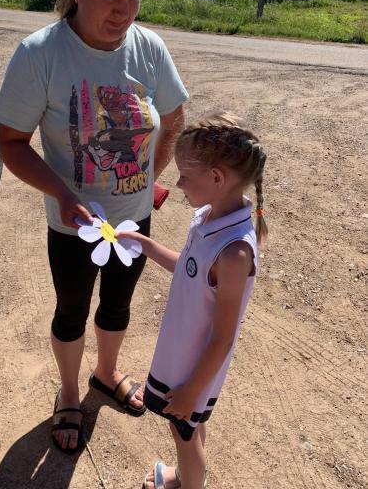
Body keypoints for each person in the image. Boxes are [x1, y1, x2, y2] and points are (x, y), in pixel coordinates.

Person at [0, 0, 188, 453]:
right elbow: (11, 142)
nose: (125, 11)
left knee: (119, 305)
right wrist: (63, 194)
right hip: (73, 224)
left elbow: (174, 118)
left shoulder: (149, 48)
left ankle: (107, 372)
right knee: (72, 309)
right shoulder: (41, 54)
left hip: (134, 220)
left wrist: (150, 179)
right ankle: (71, 392)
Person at [117, 113, 267, 489]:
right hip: (180, 351)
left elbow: (223, 338)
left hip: (195, 365)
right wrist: (147, 246)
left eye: (184, 175)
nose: (178, 183)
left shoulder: (234, 253)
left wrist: (192, 389)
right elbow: (189, 268)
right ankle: (184, 476)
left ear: (216, 178)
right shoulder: (207, 216)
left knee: (183, 431)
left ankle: (189, 482)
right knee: (189, 427)